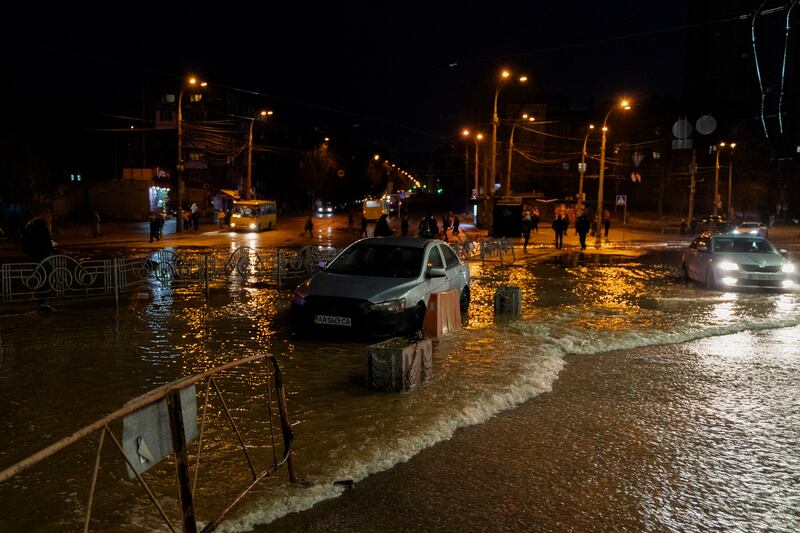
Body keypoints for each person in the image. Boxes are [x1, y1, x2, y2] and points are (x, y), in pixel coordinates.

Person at [23, 211, 56, 311]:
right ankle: (44, 302)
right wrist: (52, 245)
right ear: (47, 217)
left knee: (42, 277)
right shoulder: (41, 224)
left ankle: (42, 302)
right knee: (48, 275)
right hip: (42, 255)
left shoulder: (32, 224)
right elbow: (44, 240)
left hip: (35, 255)